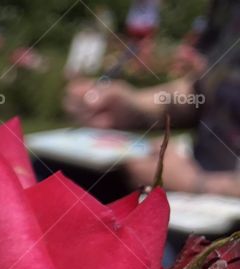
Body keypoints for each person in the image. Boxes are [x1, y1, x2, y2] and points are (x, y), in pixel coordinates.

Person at [63, 0, 240, 197]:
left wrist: (200, 185)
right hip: (193, 194)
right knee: (55, 178)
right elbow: (206, 89)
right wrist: (133, 106)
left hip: (216, 206)